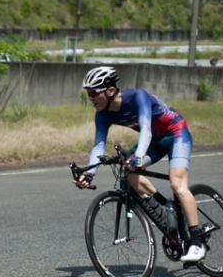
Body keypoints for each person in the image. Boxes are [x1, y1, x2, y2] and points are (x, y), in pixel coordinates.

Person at [72, 66, 206, 263]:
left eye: (93, 93)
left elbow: (146, 130)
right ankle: (166, 206)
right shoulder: (102, 114)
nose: (90, 98)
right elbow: (99, 146)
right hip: (155, 142)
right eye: (87, 93)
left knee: (177, 184)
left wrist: (139, 156)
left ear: (110, 91)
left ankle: (196, 243)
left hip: (176, 133)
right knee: (128, 172)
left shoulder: (137, 97)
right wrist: (89, 174)